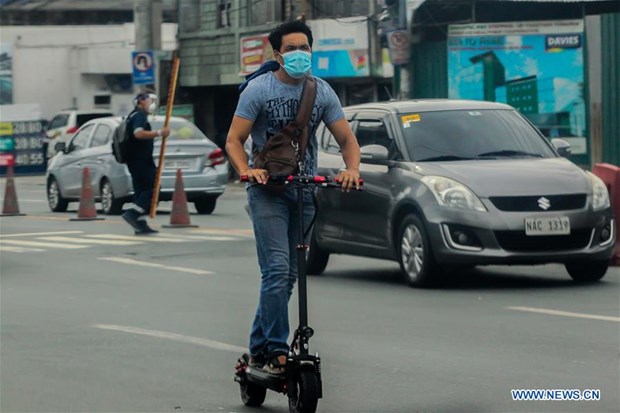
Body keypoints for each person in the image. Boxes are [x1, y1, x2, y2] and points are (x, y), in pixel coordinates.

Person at [226, 20, 361, 374]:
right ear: (277, 55)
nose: (299, 54)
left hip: (303, 190)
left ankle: (258, 345)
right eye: (291, 49)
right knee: (276, 270)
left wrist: (352, 170)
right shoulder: (258, 90)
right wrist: (247, 170)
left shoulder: (322, 92)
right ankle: (274, 349)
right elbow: (233, 141)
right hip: (267, 191)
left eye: (305, 48)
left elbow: (347, 141)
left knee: (288, 277)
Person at [122, 92, 170, 235]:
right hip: (140, 161)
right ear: (141, 101)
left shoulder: (133, 115)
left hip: (135, 160)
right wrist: (159, 133)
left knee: (141, 191)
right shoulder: (139, 116)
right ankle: (132, 213)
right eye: (149, 100)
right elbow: (138, 133)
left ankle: (140, 225)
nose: (151, 104)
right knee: (153, 188)